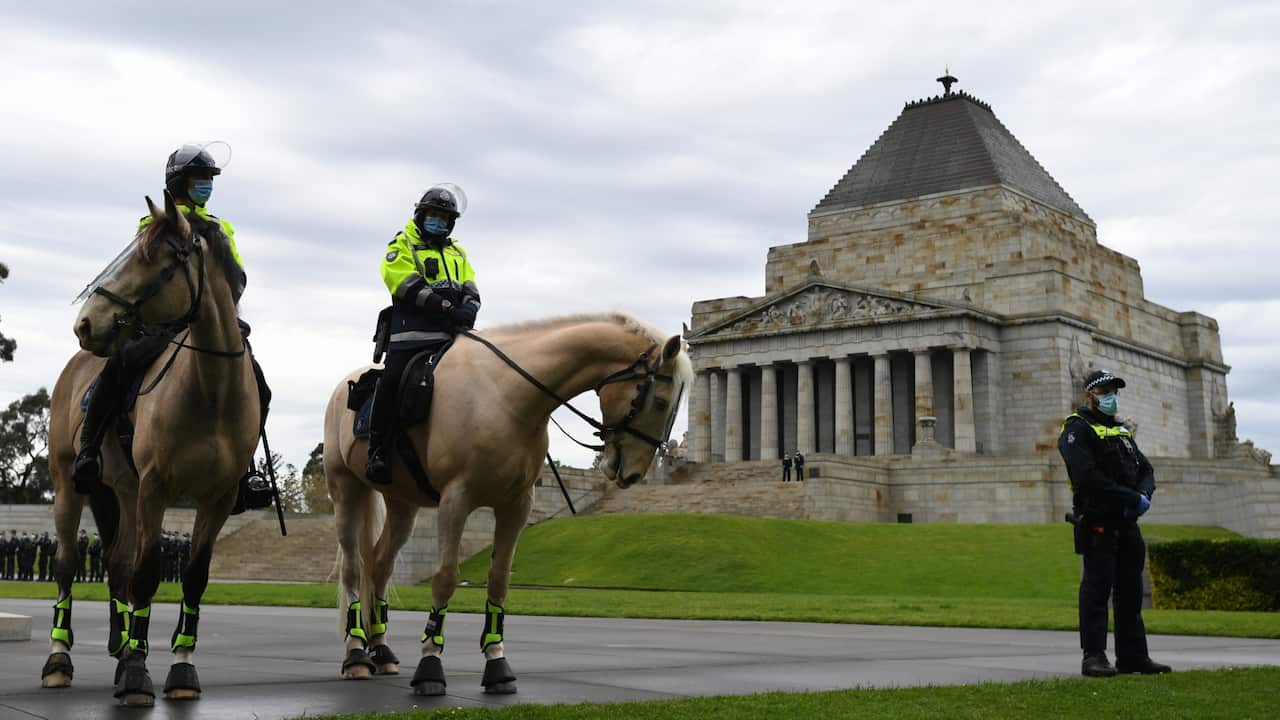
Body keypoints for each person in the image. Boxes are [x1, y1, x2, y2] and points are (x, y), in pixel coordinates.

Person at [72, 144, 273, 512]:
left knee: (258, 383)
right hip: (163, 324)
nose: (206, 187)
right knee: (120, 365)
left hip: (209, 321)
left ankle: (244, 470)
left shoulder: (219, 227)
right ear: (181, 183)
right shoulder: (155, 224)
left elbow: (238, 275)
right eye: (201, 180)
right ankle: (88, 451)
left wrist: (224, 299)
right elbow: (145, 272)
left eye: (209, 181)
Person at [1059, 369, 1172, 678]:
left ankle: (1133, 656)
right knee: (1096, 590)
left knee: (1130, 592)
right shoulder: (1076, 429)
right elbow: (1087, 477)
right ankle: (1093, 656)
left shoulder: (1121, 432)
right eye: (1104, 390)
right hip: (1098, 520)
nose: (1110, 396)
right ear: (1089, 395)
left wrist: (1143, 494)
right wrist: (1129, 498)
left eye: (1114, 390)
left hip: (1127, 521)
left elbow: (1145, 468)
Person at [366, 184, 480, 484]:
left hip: (454, 336)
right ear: (420, 215)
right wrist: (444, 307)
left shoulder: (458, 252)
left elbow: (470, 284)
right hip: (411, 336)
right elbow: (402, 282)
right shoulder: (402, 244)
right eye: (432, 215)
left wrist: (470, 307)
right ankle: (377, 450)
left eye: (444, 218)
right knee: (391, 381)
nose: (437, 221)